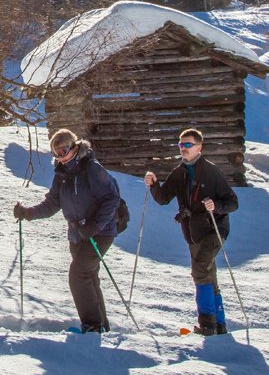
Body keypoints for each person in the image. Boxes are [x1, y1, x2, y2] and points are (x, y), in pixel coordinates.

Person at [13, 129, 122, 334]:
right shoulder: (61, 174)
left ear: (74, 146)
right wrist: (27, 213)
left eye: (63, 151)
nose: (60, 157)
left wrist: (94, 225)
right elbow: (52, 204)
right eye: (56, 153)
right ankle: (100, 326)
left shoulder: (91, 168)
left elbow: (112, 198)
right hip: (77, 234)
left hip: (100, 232)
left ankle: (91, 326)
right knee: (89, 277)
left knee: (78, 274)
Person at [144, 128, 238, 336]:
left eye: (187, 145)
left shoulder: (212, 172)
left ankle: (206, 324)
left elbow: (232, 202)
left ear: (199, 147)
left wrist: (216, 206)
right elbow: (162, 198)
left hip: (214, 229)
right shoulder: (179, 173)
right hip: (193, 232)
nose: (183, 149)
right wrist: (153, 184)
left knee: (199, 271)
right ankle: (219, 324)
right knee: (208, 275)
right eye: (180, 145)